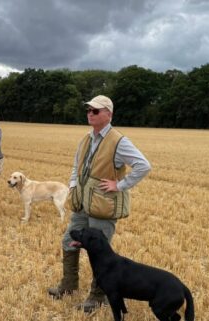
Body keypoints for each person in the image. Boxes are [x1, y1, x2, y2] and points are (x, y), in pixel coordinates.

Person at [47, 95, 151, 313]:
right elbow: (77, 165)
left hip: (103, 206)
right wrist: (74, 185)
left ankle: (97, 297)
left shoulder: (119, 141)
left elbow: (143, 166)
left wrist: (120, 185)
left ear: (108, 114)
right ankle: (69, 284)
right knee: (68, 240)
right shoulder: (86, 138)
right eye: (88, 110)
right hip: (83, 203)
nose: (90, 114)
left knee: (100, 253)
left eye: (95, 111)